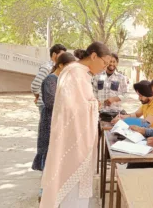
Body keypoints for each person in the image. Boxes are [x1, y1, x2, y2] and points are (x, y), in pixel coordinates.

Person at [39, 42, 111, 208]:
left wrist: (91, 104)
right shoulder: (75, 73)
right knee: (70, 190)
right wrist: (94, 105)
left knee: (77, 191)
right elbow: (71, 108)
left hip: (74, 137)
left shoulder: (80, 73)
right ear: (93, 56)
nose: (104, 67)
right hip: (72, 140)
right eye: (104, 63)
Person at [32, 52, 76, 203]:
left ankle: (53, 187)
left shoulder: (64, 80)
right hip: (50, 121)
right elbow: (51, 103)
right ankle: (44, 191)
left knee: (56, 153)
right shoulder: (50, 80)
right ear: (61, 65)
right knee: (48, 153)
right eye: (69, 68)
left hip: (60, 122)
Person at [31, 44, 67, 115]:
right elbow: (35, 85)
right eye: (62, 55)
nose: (63, 57)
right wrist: (38, 96)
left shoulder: (57, 68)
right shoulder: (47, 67)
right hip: (45, 105)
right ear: (54, 54)